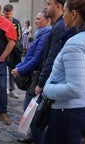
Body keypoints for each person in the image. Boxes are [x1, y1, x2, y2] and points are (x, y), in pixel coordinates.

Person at [43, 0, 85, 144]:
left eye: (65, 12)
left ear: (73, 14)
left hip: (68, 111)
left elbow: (75, 88)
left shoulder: (76, 43)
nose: (63, 16)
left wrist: (47, 90)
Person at [17, 0, 69, 144]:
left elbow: (50, 58)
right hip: (43, 77)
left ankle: (37, 139)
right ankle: (33, 137)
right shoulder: (56, 26)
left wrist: (40, 82)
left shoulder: (59, 27)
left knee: (34, 114)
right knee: (33, 112)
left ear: (58, 6)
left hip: (46, 79)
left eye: (49, 4)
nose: (46, 7)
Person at [11, 10, 51, 143]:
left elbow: (36, 59)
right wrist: (20, 66)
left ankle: (38, 139)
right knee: (31, 110)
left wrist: (20, 70)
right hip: (34, 76)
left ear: (48, 21)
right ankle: (33, 137)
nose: (35, 21)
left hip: (37, 79)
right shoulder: (41, 34)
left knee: (31, 111)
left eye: (39, 19)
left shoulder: (45, 36)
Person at [3, 4, 22, 99]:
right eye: (7, 14)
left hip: (13, 50)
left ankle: (12, 89)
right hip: (2, 49)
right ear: (3, 13)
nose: (8, 16)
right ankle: (1, 89)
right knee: (1, 70)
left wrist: (12, 43)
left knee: (12, 70)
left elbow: (19, 36)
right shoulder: (0, 22)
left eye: (10, 14)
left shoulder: (16, 22)